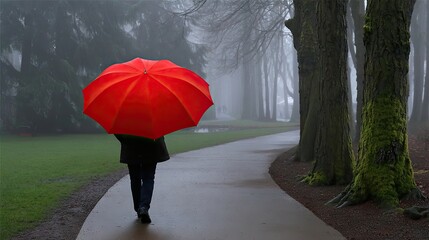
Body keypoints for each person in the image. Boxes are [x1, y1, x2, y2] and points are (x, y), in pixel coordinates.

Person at [114, 134, 170, 224]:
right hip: (151, 146)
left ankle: (138, 208)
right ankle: (143, 207)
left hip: (131, 146)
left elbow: (117, 132)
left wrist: (125, 140)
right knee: (148, 178)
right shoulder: (153, 120)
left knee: (135, 179)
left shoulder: (127, 120)